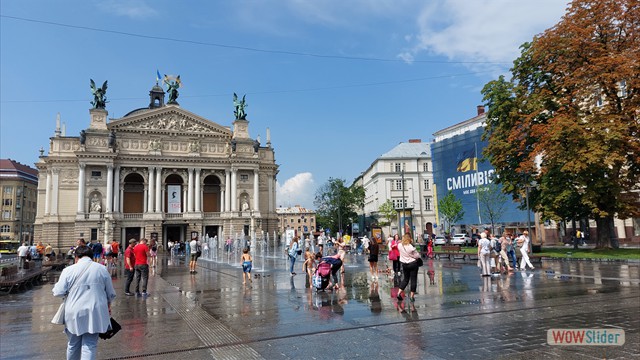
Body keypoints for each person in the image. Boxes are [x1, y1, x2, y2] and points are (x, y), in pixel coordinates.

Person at [52, 245, 116, 360]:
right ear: (91, 257)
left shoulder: (68, 270)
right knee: (90, 345)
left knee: (73, 344)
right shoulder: (102, 269)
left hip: (74, 311)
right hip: (95, 311)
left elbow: (58, 292)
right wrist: (108, 303)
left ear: (76, 257)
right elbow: (111, 293)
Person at [396, 233, 421, 302]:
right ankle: (412, 296)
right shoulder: (410, 247)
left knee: (405, 279)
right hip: (413, 264)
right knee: (413, 280)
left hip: (404, 264)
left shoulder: (400, 245)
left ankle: (398, 293)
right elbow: (417, 256)